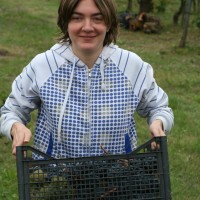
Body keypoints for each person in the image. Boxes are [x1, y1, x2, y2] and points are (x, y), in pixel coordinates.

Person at [0, 0, 174, 159]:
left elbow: (159, 107)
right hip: (54, 176)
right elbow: (11, 110)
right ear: (66, 22)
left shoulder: (132, 66)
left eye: (97, 19)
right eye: (77, 18)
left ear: (109, 23)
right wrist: (15, 126)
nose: (87, 27)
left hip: (118, 175)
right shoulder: (43, 65)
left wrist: (159, 122)